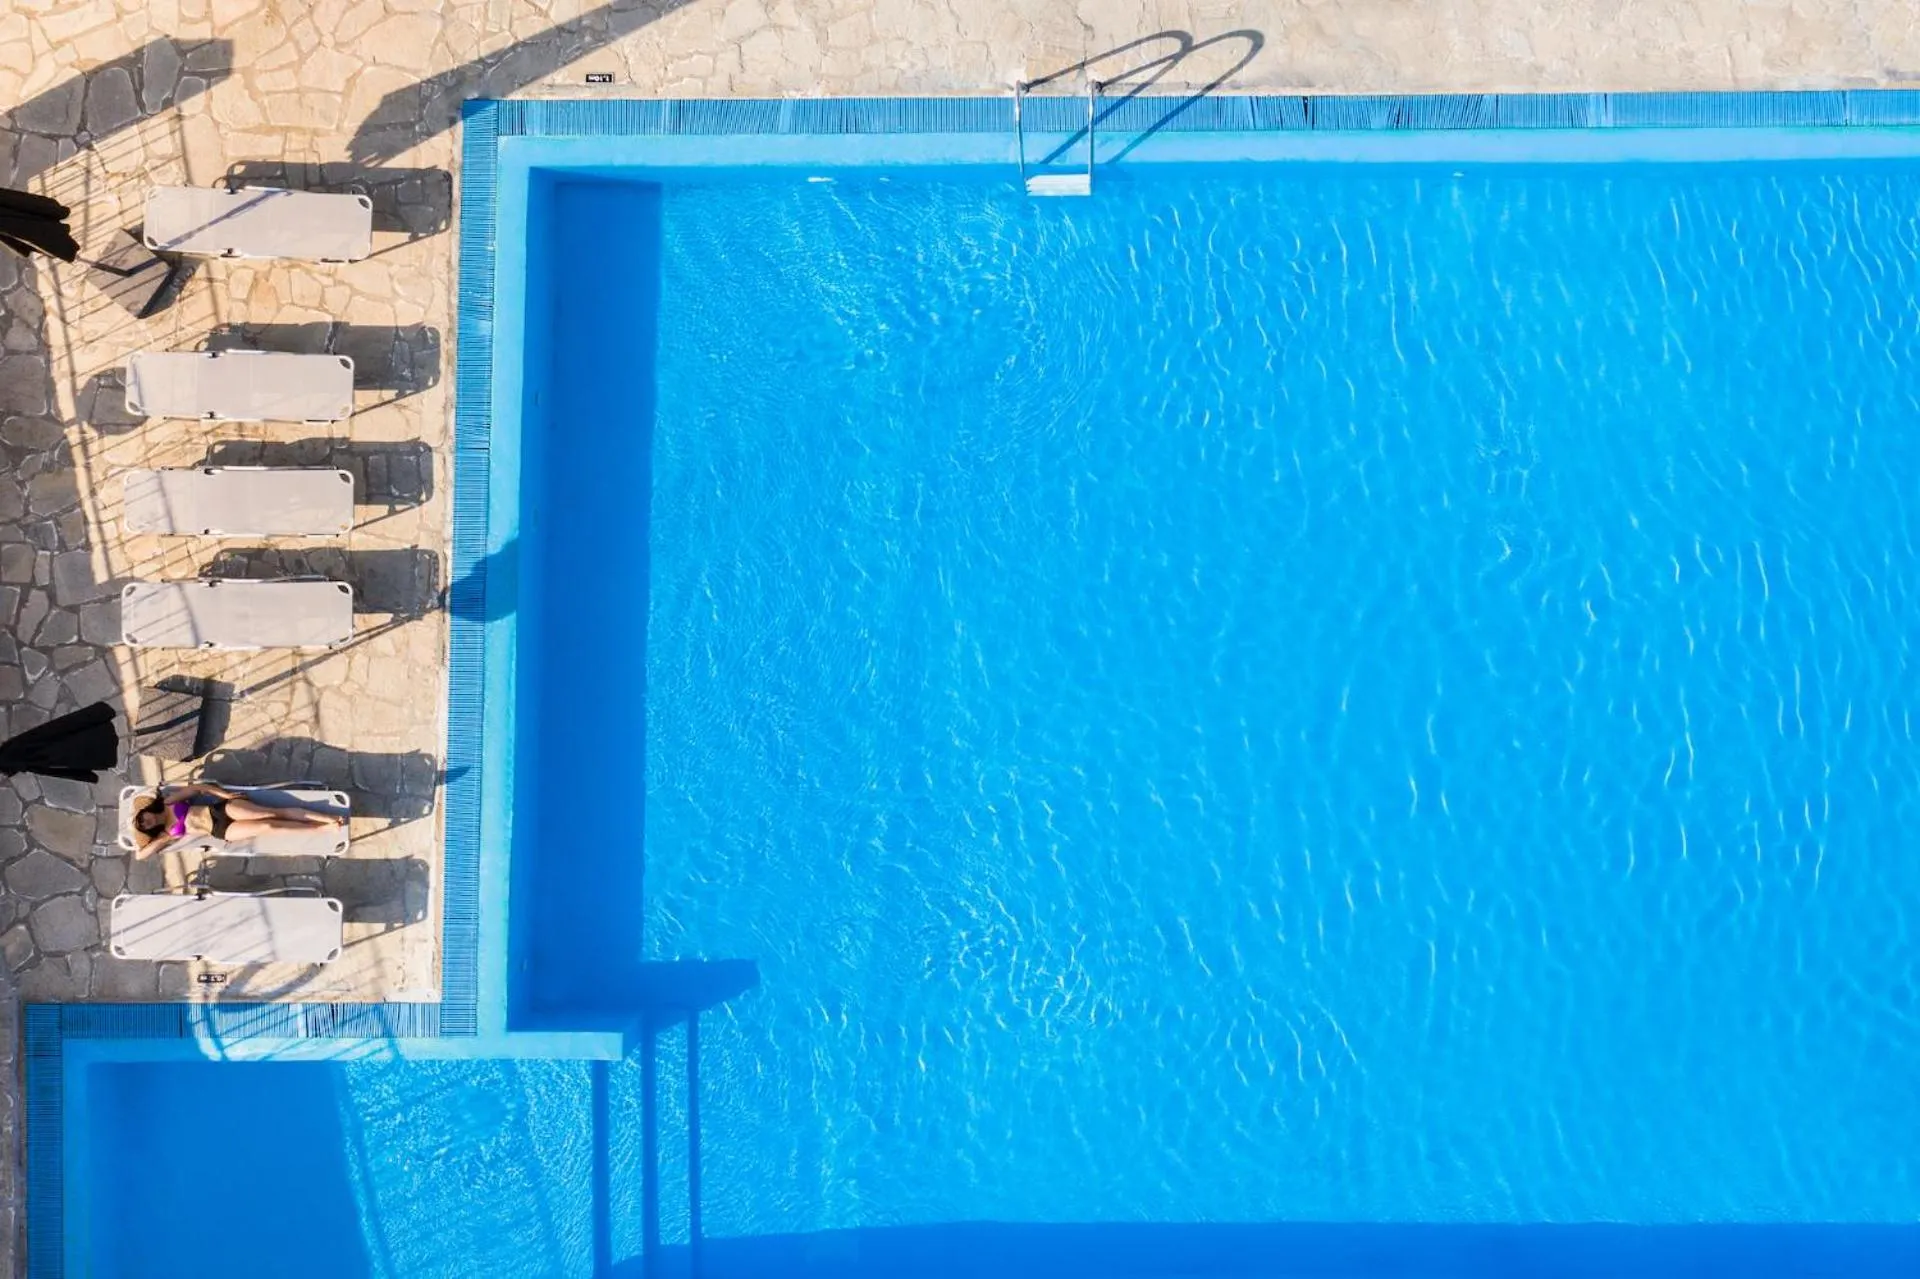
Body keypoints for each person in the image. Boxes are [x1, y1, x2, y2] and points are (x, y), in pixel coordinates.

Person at [130, 783, 345, 857]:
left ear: (146, 811)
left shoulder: (168, 803)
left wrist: (224, 795)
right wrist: (162, 840)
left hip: (219, 810)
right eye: (144, 826)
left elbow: (197, 788)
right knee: (267, 826)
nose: (146, 822)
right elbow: (141, 856)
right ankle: (319, 830)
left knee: (269, 813)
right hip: (219, 832)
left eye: (142, 819)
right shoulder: (163, 834)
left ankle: (326, 818)